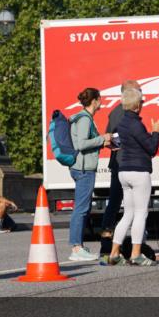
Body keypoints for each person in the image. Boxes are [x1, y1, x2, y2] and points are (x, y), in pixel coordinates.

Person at [105, 83, 159, 266]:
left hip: (124, 171)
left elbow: (136, 141)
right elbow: (151, 148)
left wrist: (155, 132)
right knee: (141, 214)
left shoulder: (123, 123)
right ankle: (135, 254)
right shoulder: (135, 124)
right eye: (141, 102)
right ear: (137, 105)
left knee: (128, 214)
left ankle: (114, 253)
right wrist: (156, 132)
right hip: (139, 171)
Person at [68, 87, 112, 261]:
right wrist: (103, 138)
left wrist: (102, 143)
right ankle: (76, 248)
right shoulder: (85, 118)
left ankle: (78, 246)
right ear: (94, 101)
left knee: (82, 208)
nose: (101, 102)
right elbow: (81, 144)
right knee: (81, 209)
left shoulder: (82, 117)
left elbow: (85, 143)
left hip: (81, 167)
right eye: (100, 99)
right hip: (84, 169)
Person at [99, 80, 141, 248]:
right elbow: (112, 137)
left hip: (119, 163)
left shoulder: (117, 111)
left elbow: (110, 136)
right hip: (125, 163)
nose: (141, 94)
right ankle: (110, 242)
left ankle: (109, 242)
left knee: (117, 203)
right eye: (139, 90)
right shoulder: (122, 112)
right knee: (124, 204)